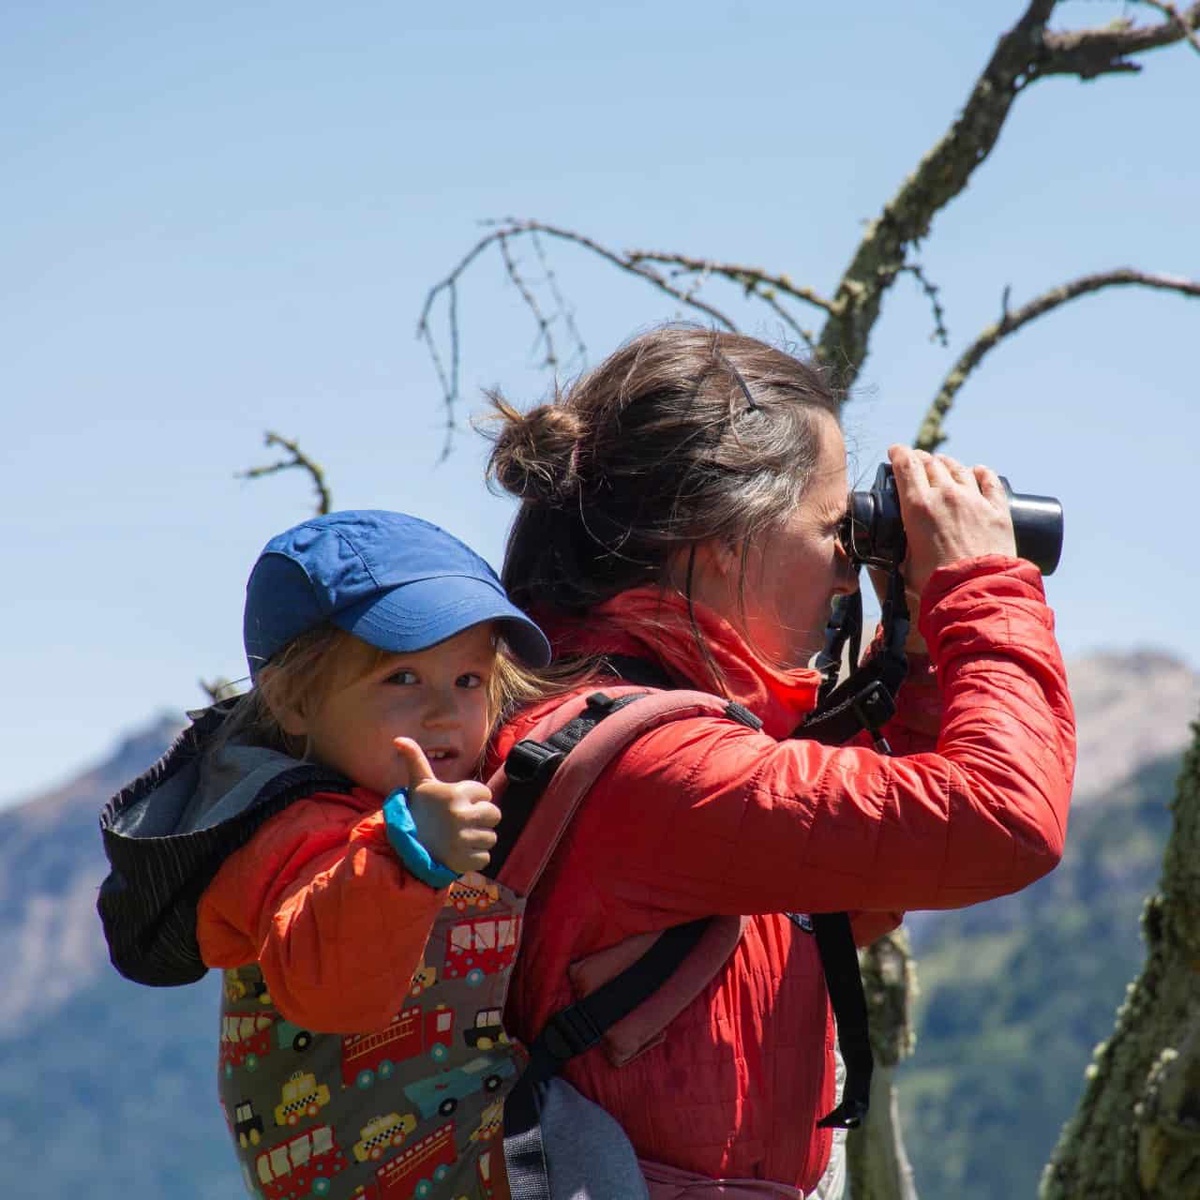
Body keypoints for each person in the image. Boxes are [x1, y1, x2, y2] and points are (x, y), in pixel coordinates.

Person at [482, 326, 1076, 1198]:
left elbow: (857, 884)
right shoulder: (654, 770)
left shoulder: (614, 724)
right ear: (723, 538)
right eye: (835, 531)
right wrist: (982, 583)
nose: (846, 575)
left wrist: (916, 655)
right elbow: (1004, 820)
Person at [98, 509, 560, 1200]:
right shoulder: (283, 829)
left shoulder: (383, 796)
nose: (443, 713)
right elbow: (335, 988)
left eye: (468, 681)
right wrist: (411, 854)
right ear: (292, 700)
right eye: (402, 679)